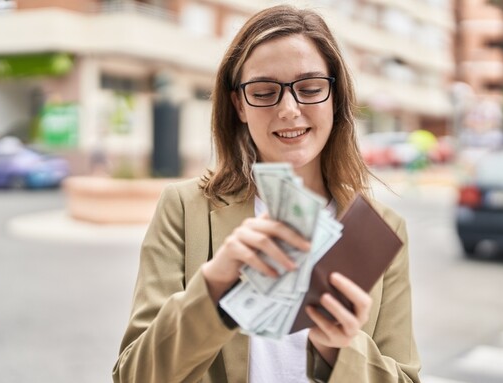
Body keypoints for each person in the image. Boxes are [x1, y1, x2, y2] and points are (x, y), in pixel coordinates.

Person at [112, 5, 421, 383]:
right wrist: (213, 289)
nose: (289, 110)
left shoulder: (380, 229)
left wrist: (340, 348)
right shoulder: (185, 210)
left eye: (309, 89)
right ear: (239, 104)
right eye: (264, 92)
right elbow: (134, 376)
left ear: (334, 96)